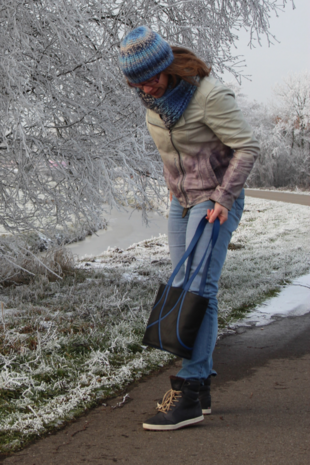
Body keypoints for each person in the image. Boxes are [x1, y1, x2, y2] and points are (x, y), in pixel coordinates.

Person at [119, 26, 259, 431]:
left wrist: (223, 197)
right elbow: (172, 154)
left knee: (201, 289)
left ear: (167, 68)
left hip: (215, 200)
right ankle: (202, 388)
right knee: (185, 291)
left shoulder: (208, 96)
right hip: (180, 203)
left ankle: (191, 390)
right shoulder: (153, 101)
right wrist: (172, 191)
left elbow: (247, 147)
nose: (145, 88)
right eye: (136, 83)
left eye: (150, 78)